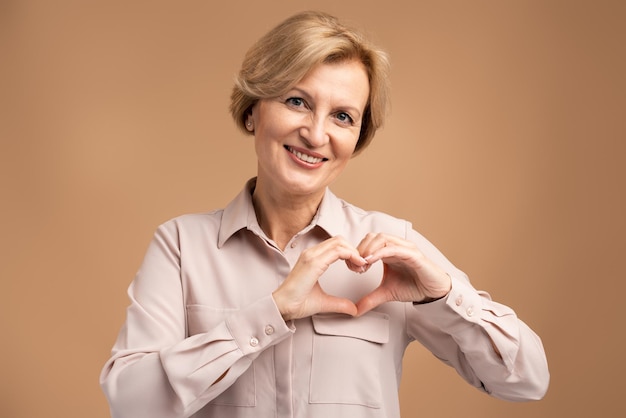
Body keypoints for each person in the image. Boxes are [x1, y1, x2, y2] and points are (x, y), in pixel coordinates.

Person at [100, 10, 549, 418]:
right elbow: (131, 403)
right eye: (297, 101)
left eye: (342, 116)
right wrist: (270, 313)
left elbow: (527, 381)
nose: (316, 134)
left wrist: (444, 297)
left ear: (357, 138)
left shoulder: (391, 247)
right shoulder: (181, 246)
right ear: (253, 109)